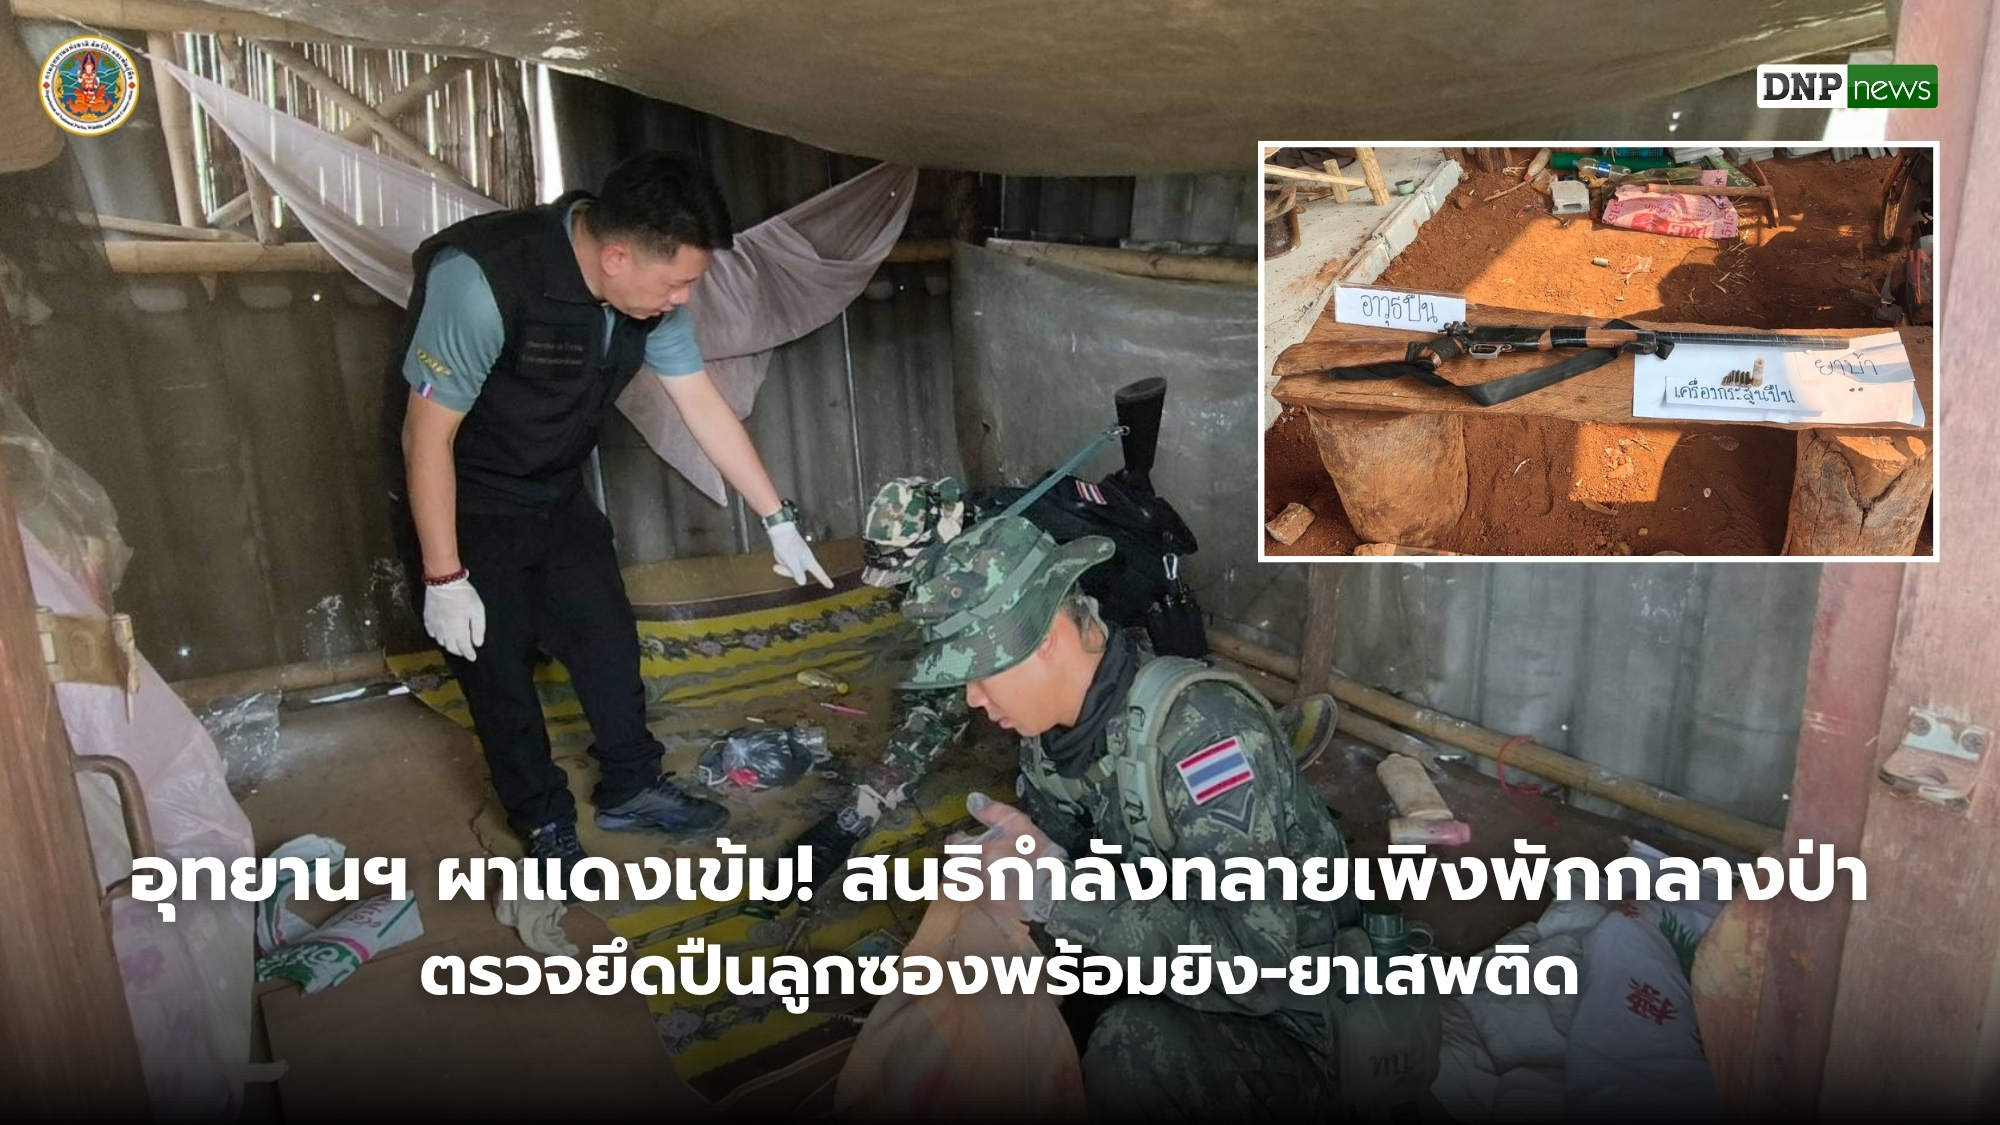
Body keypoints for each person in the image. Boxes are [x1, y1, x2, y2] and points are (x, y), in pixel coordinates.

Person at [384, 150, 831, 881]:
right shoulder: (485, 279)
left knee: (606, 638)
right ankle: (542, 819)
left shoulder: (645, 301)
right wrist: (444, 574)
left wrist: (775, 516)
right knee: (496, 667)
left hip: (554, 487)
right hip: (466, 493)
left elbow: (700, 403)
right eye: (676, 283)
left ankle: (632, 786)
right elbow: (423, 438)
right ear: (616, 257)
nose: (682, 299)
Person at [894, 513, 1394, 1122]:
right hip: (1176, 981)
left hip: (1299, 1025)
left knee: (1129, 1052)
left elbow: (1256, 970)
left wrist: (1057, 895)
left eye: (978, 668)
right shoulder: (1053, 740)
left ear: (1045, 637)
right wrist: (1028, 874)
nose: (972, 696)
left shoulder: (1204, 736)